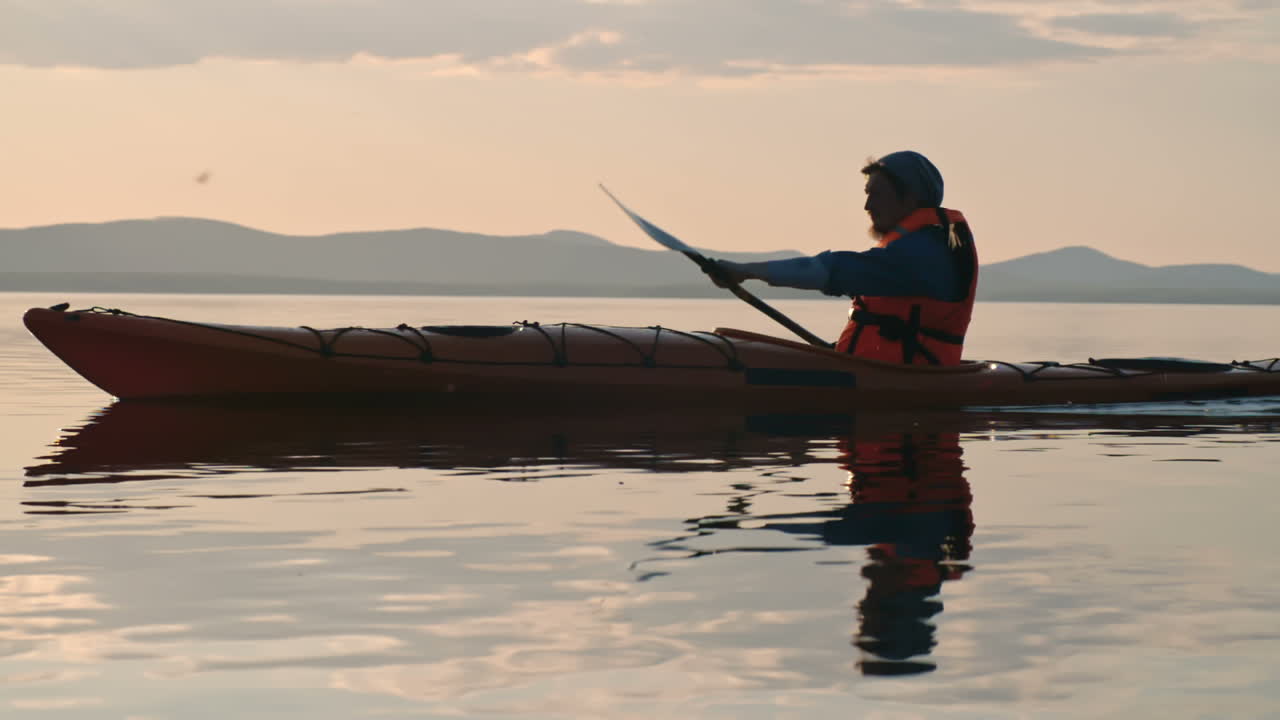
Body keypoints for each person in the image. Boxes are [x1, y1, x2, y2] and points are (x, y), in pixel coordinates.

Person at [710, 151, 978, 365]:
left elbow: (836, 270)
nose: (867, 206)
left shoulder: (925, 254)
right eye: (867, 194)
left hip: (907, 379)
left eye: (877, 194)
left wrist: (745, 271)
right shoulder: (918, 246)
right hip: (877, 369)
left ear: (910, 198)